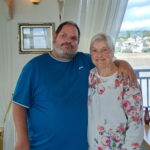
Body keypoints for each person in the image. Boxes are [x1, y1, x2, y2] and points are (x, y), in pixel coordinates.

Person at [13, 21, 137, 150]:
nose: (68, 41)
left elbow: (105, 59)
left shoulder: (86, 61)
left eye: (73, 38)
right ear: (55, 37)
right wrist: (22, 140)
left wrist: (123, 64)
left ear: (78, 43)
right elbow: (19, 105)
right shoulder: (34, 67)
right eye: (64, 35)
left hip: (80, 146)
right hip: (42, 146)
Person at [88, 33, 143, 150]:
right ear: (90, 53)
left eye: (104, 50)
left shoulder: (127, 79)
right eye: (95, 50)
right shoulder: (90, 75)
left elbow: (136, 122)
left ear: (113, 52)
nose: (99, 55)